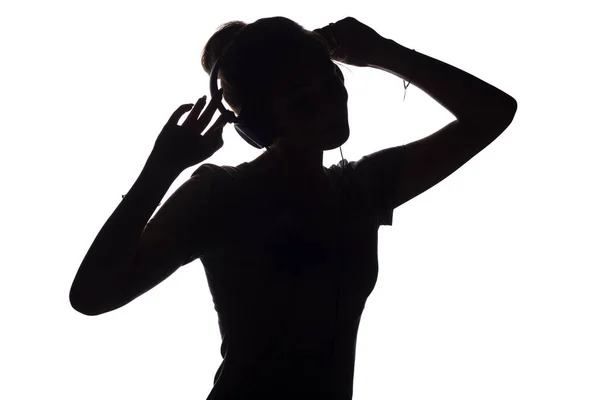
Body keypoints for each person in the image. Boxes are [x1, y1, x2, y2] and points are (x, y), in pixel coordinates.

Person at [69, 16, 517, 400]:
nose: (330, 103)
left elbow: (493, 112)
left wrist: (385, 52)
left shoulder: (361, 189)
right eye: (303, 101)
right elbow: (92, 295)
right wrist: (160, 170)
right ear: (259, 125)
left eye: (331, 82)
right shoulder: (220, 195)